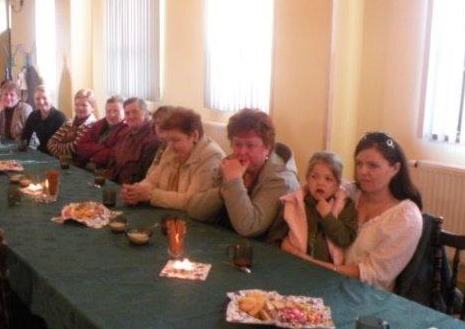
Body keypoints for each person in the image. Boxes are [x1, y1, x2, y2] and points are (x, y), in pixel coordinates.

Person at [308, 132, 423, 291]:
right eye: (359, 164)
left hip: (365, 296)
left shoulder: (406, 218)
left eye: (373, 165)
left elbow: (373, 275)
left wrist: (307, 262)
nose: (362, 171)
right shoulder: (348, 193)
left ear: (395, 168)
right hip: (325, 281)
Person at [187, 108, 299, 237]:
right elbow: (194, 209)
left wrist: (233, 182)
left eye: (250, 146)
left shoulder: (282, 180)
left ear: (267, 147)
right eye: (237, 144)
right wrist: (223, 191)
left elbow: (249, 227)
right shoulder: (232, 164)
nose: (241, 152)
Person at [121, 108, 224, 210]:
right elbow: (153, 180)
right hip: (167, 213)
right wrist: (136, 191)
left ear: (194, 136)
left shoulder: (211, 157)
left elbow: (192, 201)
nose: (170, 146)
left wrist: (151, 195)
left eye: (175, 140)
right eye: (167, 140)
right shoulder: (171, 148)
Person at [268, 151, 358, 264]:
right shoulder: (293, 203)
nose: (320, 183)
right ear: (307, 179)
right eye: (314, 177)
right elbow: (275, 238)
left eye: (328, 179)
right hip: (294, 263)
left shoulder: (345, 205)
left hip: (327, 270)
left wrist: (328, 217)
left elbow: (345, 239)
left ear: (337, 184)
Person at [108, 97, 161, 184]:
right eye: (127, 113)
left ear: (146, 112)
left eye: (135, 112)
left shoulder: (153, 139)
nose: (131, 116)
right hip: (115, 183)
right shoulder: (124, 134)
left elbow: (145, 176)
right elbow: (113, 161)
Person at [76, 95, 128, 169]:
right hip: (86, 165)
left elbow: (114, 154)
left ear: (124, 112)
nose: (111, 115)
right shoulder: (100, 123)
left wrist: (92, 158)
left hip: (106, 170)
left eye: (116, 111)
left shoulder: (127, 129)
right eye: (108, 111)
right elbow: (81, 146)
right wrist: (102, 148)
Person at [47, 89, 98, 158]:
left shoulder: (93, 126)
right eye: (77, 104)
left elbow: (75, 148)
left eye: (84, 105)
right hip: (63, 162)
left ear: (92, 108)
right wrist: (63, 157)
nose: (79, 108)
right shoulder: (69, 123)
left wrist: (59, 150)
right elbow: (50, 144)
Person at [20, 86, 67, 154]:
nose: (41, 102)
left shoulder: (60, 118)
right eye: (37, 99)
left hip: (51, 157)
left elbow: (60, 146)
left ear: (51, 99)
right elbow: (24, 137)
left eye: (44, 98)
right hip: (32, 154)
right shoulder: (33, 116)